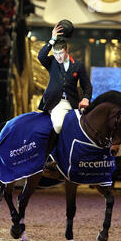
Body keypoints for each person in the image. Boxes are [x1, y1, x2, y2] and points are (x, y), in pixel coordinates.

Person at [37, 22, 93, 160]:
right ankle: (49, 158)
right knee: (58, 124)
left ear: (67, 50)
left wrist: (86, 98)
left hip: (72, 102)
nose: (58, 57)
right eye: (56, 54)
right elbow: (41, 56)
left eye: (61, 53)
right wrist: (52, 39)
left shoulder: (78, 65)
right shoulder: (52, 62)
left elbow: (87, 86)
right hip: (56, 102)